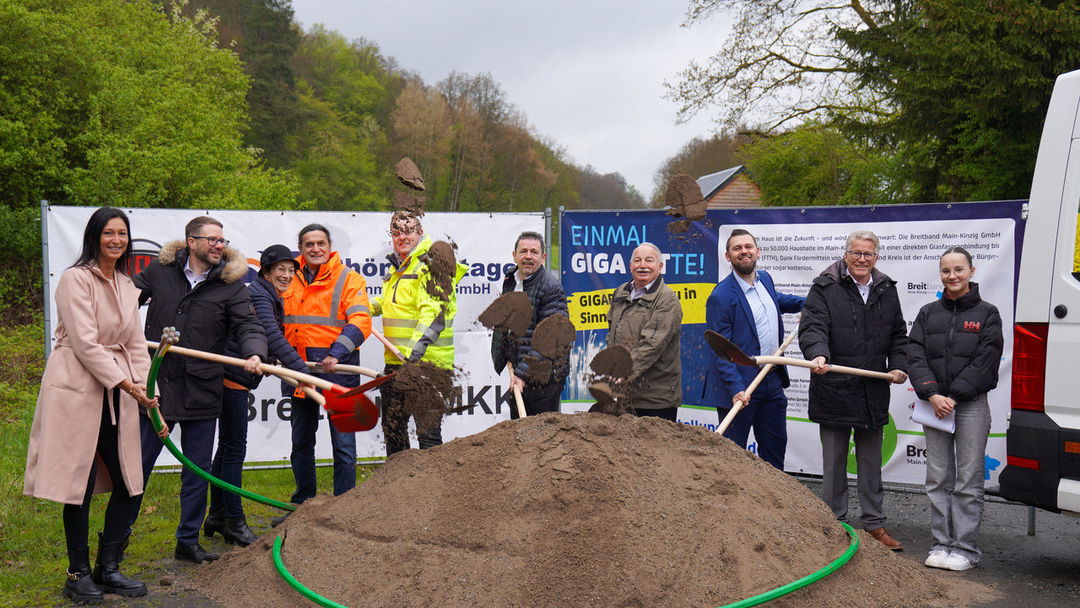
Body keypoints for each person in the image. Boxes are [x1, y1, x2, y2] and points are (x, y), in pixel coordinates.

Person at [24, 208, 162, 603]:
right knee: (78, 485)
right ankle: (77, 574)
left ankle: (109, 568)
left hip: (118, 391)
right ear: (94, 237)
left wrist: (145, 386)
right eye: (108, 233)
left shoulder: (126, 284)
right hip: (76, 389)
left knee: (129, 481)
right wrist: (126, 383)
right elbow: (85, 344)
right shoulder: (74, 279)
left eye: (122, 233)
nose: (116, 240)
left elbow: (135, 343)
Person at [131, 216, 266, 564]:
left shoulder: (231, 286)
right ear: (191, 242)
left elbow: (248, 324)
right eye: (212, 240)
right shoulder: (159, 274)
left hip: (203, 390)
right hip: (156, 388)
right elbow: (121, 302)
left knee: (197, 472)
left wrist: (254, 352)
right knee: (137, 470)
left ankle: (187, 542)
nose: (219, 245)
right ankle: (114, 547)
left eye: (222, 240)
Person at [798, 229, 908, 551]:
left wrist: (899, 365)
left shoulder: (886, 290)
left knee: (871, 463)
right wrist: (818, 353)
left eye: (868, 254)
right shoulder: (825, 286)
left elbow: (898, 335)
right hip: (833, 387)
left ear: (876, 257)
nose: (862, 259)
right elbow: (813, 326)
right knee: (833, 464)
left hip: (872, 390)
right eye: (856, 253)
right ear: (846, 255)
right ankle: (834, 525)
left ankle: (874, 525)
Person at [908, 246, 1003, 571]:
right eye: (946, 271)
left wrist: (955, 395)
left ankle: (964, 549)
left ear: (971, 272)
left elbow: (987, 360)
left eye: (959, 270)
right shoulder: (927, 313)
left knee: (968, 480)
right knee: (937, 478)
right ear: (941, 274)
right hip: (934, 406)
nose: (952, 276)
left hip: (970, 406)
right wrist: (933, 394)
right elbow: (915, 354)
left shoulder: (988, 313)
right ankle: (941, 544)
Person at [204, 244, 306, 546]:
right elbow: (271, 336)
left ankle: (217, 515)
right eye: (281, 270)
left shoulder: (268, 294)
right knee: (235, 449)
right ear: (265, 271)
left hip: (236, 377)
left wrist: (282, 362)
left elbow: (266, 339)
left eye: (291, 270)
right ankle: (235, 521)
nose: (286, 275)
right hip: (234, 377)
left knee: (226, 449)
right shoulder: (260, 295)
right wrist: (301, 370)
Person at [282, 225, 372, 502]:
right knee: (301, 444)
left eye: (320, 243)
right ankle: (303, 505)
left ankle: (344, 506)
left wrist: (336, 354)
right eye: (309, 244)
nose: (315, 249)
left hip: (338, 372)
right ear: (301, 248)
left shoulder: (349, 279)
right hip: (299, 371)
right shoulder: (287, 278)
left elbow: (361, 322)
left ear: (329, 246)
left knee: (343, 445)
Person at [704, 229, 804, 469]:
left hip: (771, 380)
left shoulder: (765, 279)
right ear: (728, 256)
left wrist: (806, 304)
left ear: (757, 252)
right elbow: (721, 351)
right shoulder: (721, 296)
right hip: (740, 388)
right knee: (733, 460)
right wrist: (736, 388)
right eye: (737, 248)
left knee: (774, 452)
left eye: (748, 247)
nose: (744, 251)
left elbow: (776, 300)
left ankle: (774, 503)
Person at [373, 211, 466, 456]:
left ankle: (432, 492)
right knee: (394, 431)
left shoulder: (431, 263)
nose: (402, 236)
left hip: (426, 366)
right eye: (396, 232)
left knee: (428, 435)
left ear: (420, 233)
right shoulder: (400, 268)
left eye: (408, 230)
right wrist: (359, 307)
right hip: (396, 363)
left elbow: (434, 313)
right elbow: (388, 303)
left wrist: (413, 355)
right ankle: (398, 490)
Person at [491, 231, 569, 417]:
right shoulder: (511, 281)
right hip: (518, 372)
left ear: (543, 257)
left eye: (534, 252)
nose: (528, 256)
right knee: (520, 436)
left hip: (544, 379)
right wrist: (505, 356)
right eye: (523, 251)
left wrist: (523, 374)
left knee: (542, 439)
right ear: (514, 255)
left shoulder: (551, 288)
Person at [605, 242, 683, 420]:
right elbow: (612, 334)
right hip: (624, 394)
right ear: (630, 265)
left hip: (655, 398)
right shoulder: (620, 293)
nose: (642, 265)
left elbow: (652, 344)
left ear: (660, 266)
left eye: (649, 260)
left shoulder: (667, 299)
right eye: (637, 260)